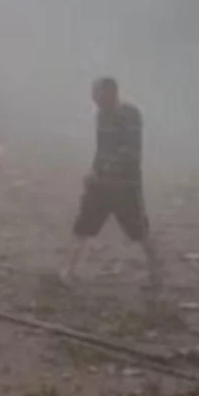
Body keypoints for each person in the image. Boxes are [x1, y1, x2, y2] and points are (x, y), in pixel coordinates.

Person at [60, 77, 162, 289]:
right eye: (94, 94)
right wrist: (94, 171)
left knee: (139, 230)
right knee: (83, 226)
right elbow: (102, 149)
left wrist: (106, 169)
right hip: (101, 184)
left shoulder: (130, 115)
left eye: (98, 94)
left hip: (125, 185)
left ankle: (156, 274)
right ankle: (68, 272)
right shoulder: (101, 116)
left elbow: (131, 152)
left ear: (111, 93)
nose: (94, 99)